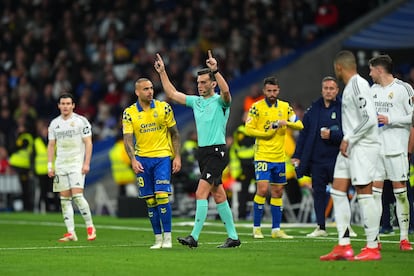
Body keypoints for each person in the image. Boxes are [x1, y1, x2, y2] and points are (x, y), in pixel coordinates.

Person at [154, 50, 241, 248]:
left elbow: (227, 92)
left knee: (201, 193)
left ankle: (194, 237)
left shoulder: (220, 101)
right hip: (203, 153)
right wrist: (162, 72)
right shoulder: (197, 102)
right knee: (218, 195)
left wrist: (216, 70)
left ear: (213, 84)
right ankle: (233, 237)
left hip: (217, 152)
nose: (200, 86)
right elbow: (172, 93)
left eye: (204, 82)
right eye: (198, 82)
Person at [320, 50, 380, 261]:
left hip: (362, 146)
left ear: (339, 67)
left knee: (365, 192)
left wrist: (350, 138)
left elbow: (370, 118)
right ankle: (343, 245)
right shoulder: (350, 88)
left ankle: (372, 247)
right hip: (351, 147)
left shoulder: (357, 84)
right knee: (338, 191)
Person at [122, 78, 181, 249]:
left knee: (162, 196)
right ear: (137, 92)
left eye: (151, 88)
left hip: (162, 157)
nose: (150, 91)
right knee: (150, 201)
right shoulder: (129, 113)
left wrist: (177, 156)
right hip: (142, 160)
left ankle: (168, 238)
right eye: (146, 89)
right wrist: (133, 159)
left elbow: (175, 133)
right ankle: (157, 239)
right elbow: (127, 140)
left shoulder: (164, 108)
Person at [244, 76, 304, 239]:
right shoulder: (256, 108)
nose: (272, 93)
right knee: (262, 189)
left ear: (278, 90)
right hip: (263, 155)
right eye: (269, 91)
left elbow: (299, 124)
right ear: (264, 91)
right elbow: (248, 129)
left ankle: (276, 229)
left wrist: (286, 123)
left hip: (279, 157)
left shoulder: (285, 107)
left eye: (274, 90)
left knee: (278, 192)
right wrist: (266, 133)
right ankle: (256, 228)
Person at [368, 54, 413, 251]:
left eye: (371, 70)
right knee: (375, 195)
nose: (369, 74)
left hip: (396, 150)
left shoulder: (403, 89)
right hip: (377, 151)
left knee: (401, 194)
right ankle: (375, 238)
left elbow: (412, 116)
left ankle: (404, 238)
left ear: (379, 70)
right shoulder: (372, 90)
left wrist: (390, 119)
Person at [292, 76, 342, 237]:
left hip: (337, 159)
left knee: (340, 193)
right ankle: (321, 227)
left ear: (337, 90)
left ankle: (345, 226)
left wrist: (333, 135)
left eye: (331, 88)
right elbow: (304, 135)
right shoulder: (312, 110)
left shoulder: (343, 109)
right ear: (322, 90)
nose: (328, 91)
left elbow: (351, 132)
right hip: (317, 161)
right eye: (326, 88)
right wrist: (297, 155)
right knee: (318, 193)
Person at [47, 93, 96, 242]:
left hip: (76, 163)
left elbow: (88, 143)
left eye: (68, 103)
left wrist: (86, 163)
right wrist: (50, 165)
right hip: (61, 164)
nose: (65, 106)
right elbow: (51, 145)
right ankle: (71, 232)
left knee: (78, 197)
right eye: (63, 103)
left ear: (73, 105)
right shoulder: (54, 124)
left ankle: (90, 227)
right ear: (59, 105)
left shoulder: (81, 121)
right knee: (64, 199)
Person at [228, 124, 255, 220]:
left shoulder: (255, 128)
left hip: (255, 163)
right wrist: (257, 136)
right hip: (244, 166)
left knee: (260, 189)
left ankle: (260, 214)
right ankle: (242, 215)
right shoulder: (240, 130)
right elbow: (244, 142)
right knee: (244, 191)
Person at [34, 119, 59, 213]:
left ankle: (56, 208)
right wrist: (33, 170)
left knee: (55, 191)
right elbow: (33, 157)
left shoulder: (54, 141)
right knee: (43, 191)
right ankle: (44, 208)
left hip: (53, 169)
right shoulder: (36, 141)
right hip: (41, 170)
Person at [109, 132, 138, 198]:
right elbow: (128, 160)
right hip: (127, 176)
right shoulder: (124, 148)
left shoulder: (113, 150)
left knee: (122, 194)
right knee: (133, 195)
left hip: (118, 177)